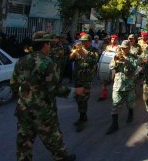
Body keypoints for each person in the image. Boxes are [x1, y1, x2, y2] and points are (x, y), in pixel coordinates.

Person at [11, 31, 84, 161]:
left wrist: (27, 95)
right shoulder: (48, 63)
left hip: (23, 109)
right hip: (42, 111)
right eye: (49, 44)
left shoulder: (21, 61)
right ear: (45, 45)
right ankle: (61, 157)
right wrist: (74, 91)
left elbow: (14, 84)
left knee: (24, 142)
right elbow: (54, 88)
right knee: (53, 137)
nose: (50, 47)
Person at [106, 40, 139, 135]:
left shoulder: (132, 57)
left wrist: (126, 61)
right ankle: (114, 124)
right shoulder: (117, 55)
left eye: (125, 48)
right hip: (118, 84)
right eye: (122, 48)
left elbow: (135, 68)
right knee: (115, 104)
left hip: (129, 84)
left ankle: (130, 114)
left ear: (129, 48)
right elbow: (111, 67)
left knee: (130, 103)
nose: (123, 50)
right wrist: (116, 62)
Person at [70, 34, 99, 132]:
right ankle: (83, 115)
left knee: (84, 98)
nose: (82, 43)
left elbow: (93, 62)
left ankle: (82, 119)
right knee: (78, 98)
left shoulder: (94, 51)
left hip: (87, 78)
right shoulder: (78, 49)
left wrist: (84, 53)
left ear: (89, 41)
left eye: (85, 41)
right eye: (82, 41)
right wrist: (74, 53)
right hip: (77, 77)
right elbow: (70, 59)